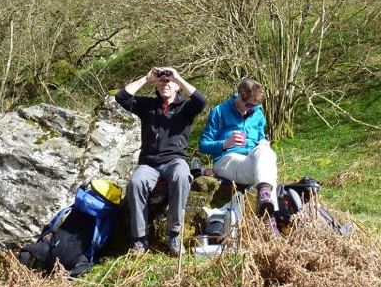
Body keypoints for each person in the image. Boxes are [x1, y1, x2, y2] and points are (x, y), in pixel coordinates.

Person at [116, 67, 206, 255]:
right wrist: (146, 79)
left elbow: (201, 100)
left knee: (182, 176)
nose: (165, 84)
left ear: (177, 87)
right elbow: (121, 97)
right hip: (149, 163)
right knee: (136, 182)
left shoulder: (185, 108)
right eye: (162, 81)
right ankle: (140, 240)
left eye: (169, 81)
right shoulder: (148, 105)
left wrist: (178, 78)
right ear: (157, 85)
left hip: (175, 160)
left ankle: (174, 235)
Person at [199, 78, 279, 228]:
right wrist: (225, 143)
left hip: (250, 159)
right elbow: (203, 145)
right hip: (226, 159)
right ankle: (270, 222)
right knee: (269, 171)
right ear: (239, 96)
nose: (249, 109)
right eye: (247, 105)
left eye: (254, 107)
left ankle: (264, 199)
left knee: (267, 152)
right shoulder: (219, 112)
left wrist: (263, 143)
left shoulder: (258, 114)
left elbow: (261, 137)